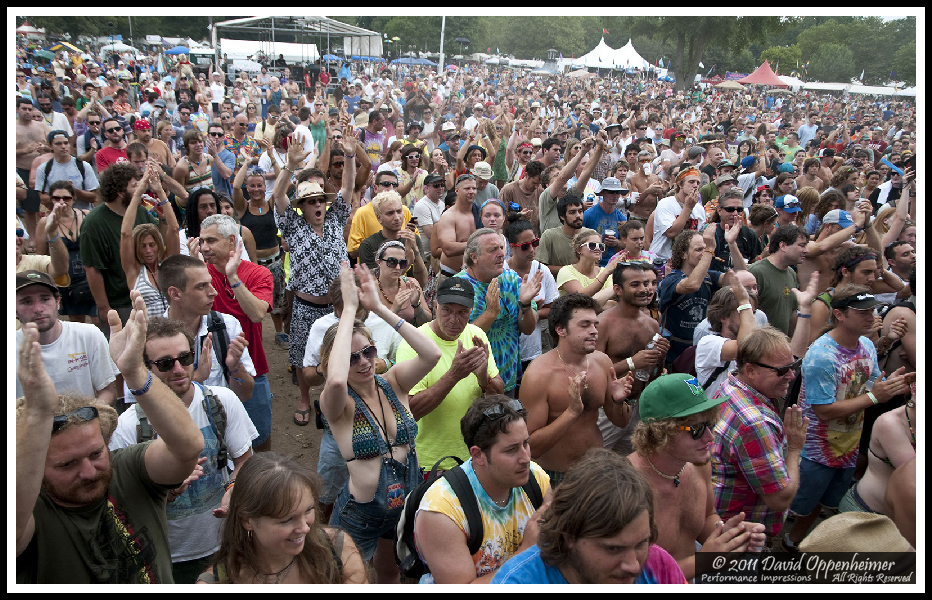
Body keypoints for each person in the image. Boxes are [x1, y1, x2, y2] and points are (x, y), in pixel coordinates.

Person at [15, 293, 205, 583]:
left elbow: (187, 447)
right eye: (67, 465)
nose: (89, 471)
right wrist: (37, 415)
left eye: (95, 454)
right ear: (37, 469)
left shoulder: (126, 470)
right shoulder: (33, 512)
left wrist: (135, 373)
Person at [107, 316, 257, 583]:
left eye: (185, 358)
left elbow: (244, 460)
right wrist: (166, 490)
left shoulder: (221, 401)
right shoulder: (128, 426)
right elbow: (122, 505)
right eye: (165, 363)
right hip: (165, 556)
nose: (178, 369)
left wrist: (233, 489)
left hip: (224, 544)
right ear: (144, 367)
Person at [321, 263, 442, 583]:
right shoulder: (339, 404)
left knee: (395, 574)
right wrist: (349, 310)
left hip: (406, 503)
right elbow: (334, 382)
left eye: (368, 351)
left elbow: (431, 354)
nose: (362, 362)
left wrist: (379, 309)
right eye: (351, 357)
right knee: (346, 580)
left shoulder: (394, 381)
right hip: (361, 514)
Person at [782, 286, 913, 551]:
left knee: (819, 504)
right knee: (791, 507)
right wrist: (875, 398)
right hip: (814, 452)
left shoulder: (865, 344)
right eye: (863, 311)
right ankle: (778, 547)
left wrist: (893, 384)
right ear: (840, 314)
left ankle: (795, 542)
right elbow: (823, 410)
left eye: (872, 310)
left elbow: (871, 383)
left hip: (846, 446)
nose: (871, 316)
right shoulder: (821, 356)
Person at [629, 374, 766, 580]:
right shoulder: (626, 488)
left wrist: (729, 536)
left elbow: (707, 516)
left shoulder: (698, 464)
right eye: (696, 429)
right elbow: (631, 576)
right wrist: (704, 561)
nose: (710, 437)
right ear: (659, 432)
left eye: (709, 424)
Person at [492, 448, 686, 584]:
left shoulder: (659, 567)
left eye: (641, 544)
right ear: (569, 536)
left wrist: (712, 562)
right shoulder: (517, 583)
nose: (634, 566)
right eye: (613, 549)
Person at [415, 395, 552, 583]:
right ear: (478, 455)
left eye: (526, 443)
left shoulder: (536, 478)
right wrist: (525, 550)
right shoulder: (442, 511)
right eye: (511, 450)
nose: (526, 458)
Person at [272, 131, 355, 428]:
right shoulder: (293, 225)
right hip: (306, 305)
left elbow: (347, 186)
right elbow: (278, 196)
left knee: (344, 351)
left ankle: (340, 399)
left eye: (321, 199)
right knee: (301, 357)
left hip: (337, 307)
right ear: (302, 206)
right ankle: (305, 400)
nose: (318, 204)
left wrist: (349, 155)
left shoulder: (334, 218)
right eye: (311, 201)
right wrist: (290, 166)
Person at [197, 452, 367, 584]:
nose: (305, 528)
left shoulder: (338, 549)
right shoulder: (217, 583)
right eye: (286, 520)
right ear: (247, 520)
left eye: (308, 510)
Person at [520, 293, 635, 485]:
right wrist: (571, 413)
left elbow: (621, 422)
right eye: (585, 325)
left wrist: (617, 400)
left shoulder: (602, 362)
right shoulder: (538, 375)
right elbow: (531, 446)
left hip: (595, 470)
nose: (594, 331)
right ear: (561, 329)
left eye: (595, 324)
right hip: (554, 476)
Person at [710, 326, 810, 545]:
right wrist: (794, 449)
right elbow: (779, 499)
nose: (792, 375)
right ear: (751, 369)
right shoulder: (755, 424)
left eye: (794, 365)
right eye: (782, 370)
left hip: (721, 523)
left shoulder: (731, 384)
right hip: (739, 539)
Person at [397, 276, 504, 471]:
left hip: (473, 457)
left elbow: (498, 395)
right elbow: (411, 411)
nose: (454, 320)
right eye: (447, 310)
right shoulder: (414, 344)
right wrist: (454, 375)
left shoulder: (477, 335)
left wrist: (483, 379)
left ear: (471, 311)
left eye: (462, 312)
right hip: (431, 464)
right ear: (435, 305)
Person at [190, 214, 274, 452]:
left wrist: (233, 277)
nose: (205, 247)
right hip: (209, 373)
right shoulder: (201, 275)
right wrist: (194, 271)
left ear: (230, 242)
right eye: (202, 241)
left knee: (260, 438)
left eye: (211, 241)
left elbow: (257, 313)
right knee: (216, 442)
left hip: (251, 369)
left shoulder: (258, 274)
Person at [157, 254, 257, 403]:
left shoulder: (227, 325)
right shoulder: (150, 339)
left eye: (210, 283)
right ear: (175, 293)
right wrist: (197, 377)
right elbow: (143, 404)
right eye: (201, 286)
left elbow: (246, 395)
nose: (213, 292)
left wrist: (235, 368)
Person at [454, 228, 542, 396]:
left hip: (507, 380)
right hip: (471, 383)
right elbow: (458, 340)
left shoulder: (511, 279)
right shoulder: (458, 287)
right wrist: (491, 313)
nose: (501, 254)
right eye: (493, 250)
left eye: (501, 248)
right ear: (474, 257)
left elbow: (528, 329)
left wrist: (525, 305)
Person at [80, 162, 161, 335]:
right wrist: (104, 308)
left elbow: (158, 239)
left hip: (148, 296)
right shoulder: (94, 224)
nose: (141, 188)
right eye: (134, 186)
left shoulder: (141, 210)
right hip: (120, 303)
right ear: (119, 192)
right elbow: (92, 269)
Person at [14, 270, 119, 404]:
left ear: (58, 301)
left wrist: (91, 416)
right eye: (27, 302)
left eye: (45, 299)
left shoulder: (89, 335)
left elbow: (107, 391)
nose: (38, 308)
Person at [231, 149, 288, 346]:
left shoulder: (272, 203)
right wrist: (246, 163)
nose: (256, 189)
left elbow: (283, 180)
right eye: (252, 186)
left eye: (259, 186)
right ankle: (253, 335)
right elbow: (236, 187)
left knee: (278, 301)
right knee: (253, 301)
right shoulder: (242, 207)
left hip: (274, 262)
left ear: (265, 187)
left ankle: (279, 332)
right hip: (252, 264)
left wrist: (273, 158)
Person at [657, 227, 736, 365]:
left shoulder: (709, 277)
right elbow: (692, 284)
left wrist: (732, 244)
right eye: (699, 250)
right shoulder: (672, 279)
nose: (705, 254)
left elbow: (739, 279)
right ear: (683, 254)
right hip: (673, 355)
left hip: (699, 352)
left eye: (705, 249)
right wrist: (710, 249)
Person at [120, 162, 180, 318]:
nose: (148, 250)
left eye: (152, 245)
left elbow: (174, 229)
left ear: (158, 245)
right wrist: (138, 192)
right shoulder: (134, 270)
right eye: (143, 246)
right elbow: (126, 234)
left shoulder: (167, 265)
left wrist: (160, 191)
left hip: (174, 332)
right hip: (148, 335)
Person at [504, 218, 560, 381]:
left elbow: (552, 309)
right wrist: (526, 308)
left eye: (535, 243)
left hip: (532, 346)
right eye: (524, 246)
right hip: (507, 347)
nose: (531, 249)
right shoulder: (502, 272)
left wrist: (531, 310)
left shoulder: (542, 270)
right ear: (512, 247)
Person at [33, 182, 97, 322]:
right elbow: (41, 256)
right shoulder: (45, 222)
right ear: (51, 199)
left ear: (74, 199)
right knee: (77, 324)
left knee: (99, 320)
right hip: (67, 279)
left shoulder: (87, 215)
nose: (61, 202)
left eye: (66, 198)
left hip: (90, 275)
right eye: (56, 198)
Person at [747, 224, 808, 336]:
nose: (806, 250)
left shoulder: (791, 273)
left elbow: (792, 313)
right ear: (783, 246)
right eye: (802, 245)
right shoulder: (756, 272)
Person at [357, 191, 428, 287]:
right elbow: (377, 284)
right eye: (390, 213)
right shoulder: (368, 245)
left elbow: (423, 283)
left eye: (399, 211)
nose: (397, 217)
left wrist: (415, 252)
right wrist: (407, 261)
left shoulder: (413, 239)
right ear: (379, 218)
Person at [649, 168, 706, 262]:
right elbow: (671, 233)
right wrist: (688, 208)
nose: (695, 185)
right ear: (680, 184)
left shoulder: (699, 209)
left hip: (686, 262)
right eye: (691, 182)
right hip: (663, 260)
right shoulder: (666, 203)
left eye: (698, 183)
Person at [34, 129, 99, 209]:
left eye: (66, 143)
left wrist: (75, 191)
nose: (63, 146)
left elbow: (94, 197)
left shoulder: (83, 166)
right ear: (50, 146)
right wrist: (62, 194)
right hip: (58, 215)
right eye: (58, 144)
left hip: (83, 215)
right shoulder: (44, 169)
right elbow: (43, 199)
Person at [434, 174, 479, 282]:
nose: (471, 191)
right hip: (450, 276)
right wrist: (478, 245)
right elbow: (448, 249)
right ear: (457, 191)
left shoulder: (480, 213)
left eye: (474, 188)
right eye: (467, 188)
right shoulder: (448, 216)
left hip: (476, 276)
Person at [582, 176, 628, 267]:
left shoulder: (622, 218)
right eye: (611, 192)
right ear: (603, 193)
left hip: (613, 264)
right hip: (591, 264)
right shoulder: (588, 215)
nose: (614, 196)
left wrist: (616, 243)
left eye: (617, 192)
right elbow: (579, 240)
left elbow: (627, 244)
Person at [538, 192, 585, 279]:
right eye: (572, 212)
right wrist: (572, 270)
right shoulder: (549, 236)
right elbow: (540, 267)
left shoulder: (590, 235)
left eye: (580, 211)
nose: (578, 215)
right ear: (562, 216)